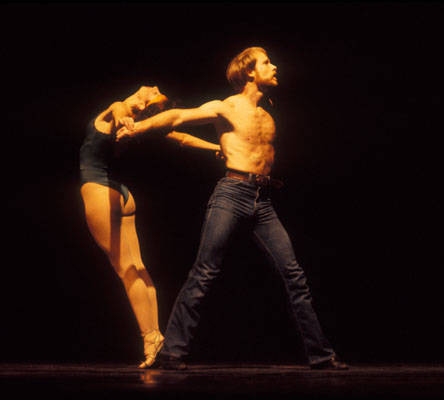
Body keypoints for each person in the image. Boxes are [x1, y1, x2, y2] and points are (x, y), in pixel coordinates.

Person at [116, 48, 348, 370]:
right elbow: (177, 116)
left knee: (294, 275)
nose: (275, 65)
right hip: (231, 194)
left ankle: (321, 356)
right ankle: (171, 353)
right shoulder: (226, 107)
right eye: (267, 62)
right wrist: (138, 128)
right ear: (250, 72)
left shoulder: (268, 113)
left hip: (263, 200)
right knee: (204, 272)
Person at [80, 85, 221, 368]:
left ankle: (150, 339)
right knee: (138, 267)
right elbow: (179, 138)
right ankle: (156, 339)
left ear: (144, 103)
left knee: (126, 270)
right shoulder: (140, 124)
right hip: (122, 194)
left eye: (155, 91)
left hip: (99, 190)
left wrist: (123, 118)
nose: (154, 86)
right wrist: (217, 148)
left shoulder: (121, 110)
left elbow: (119, 107)